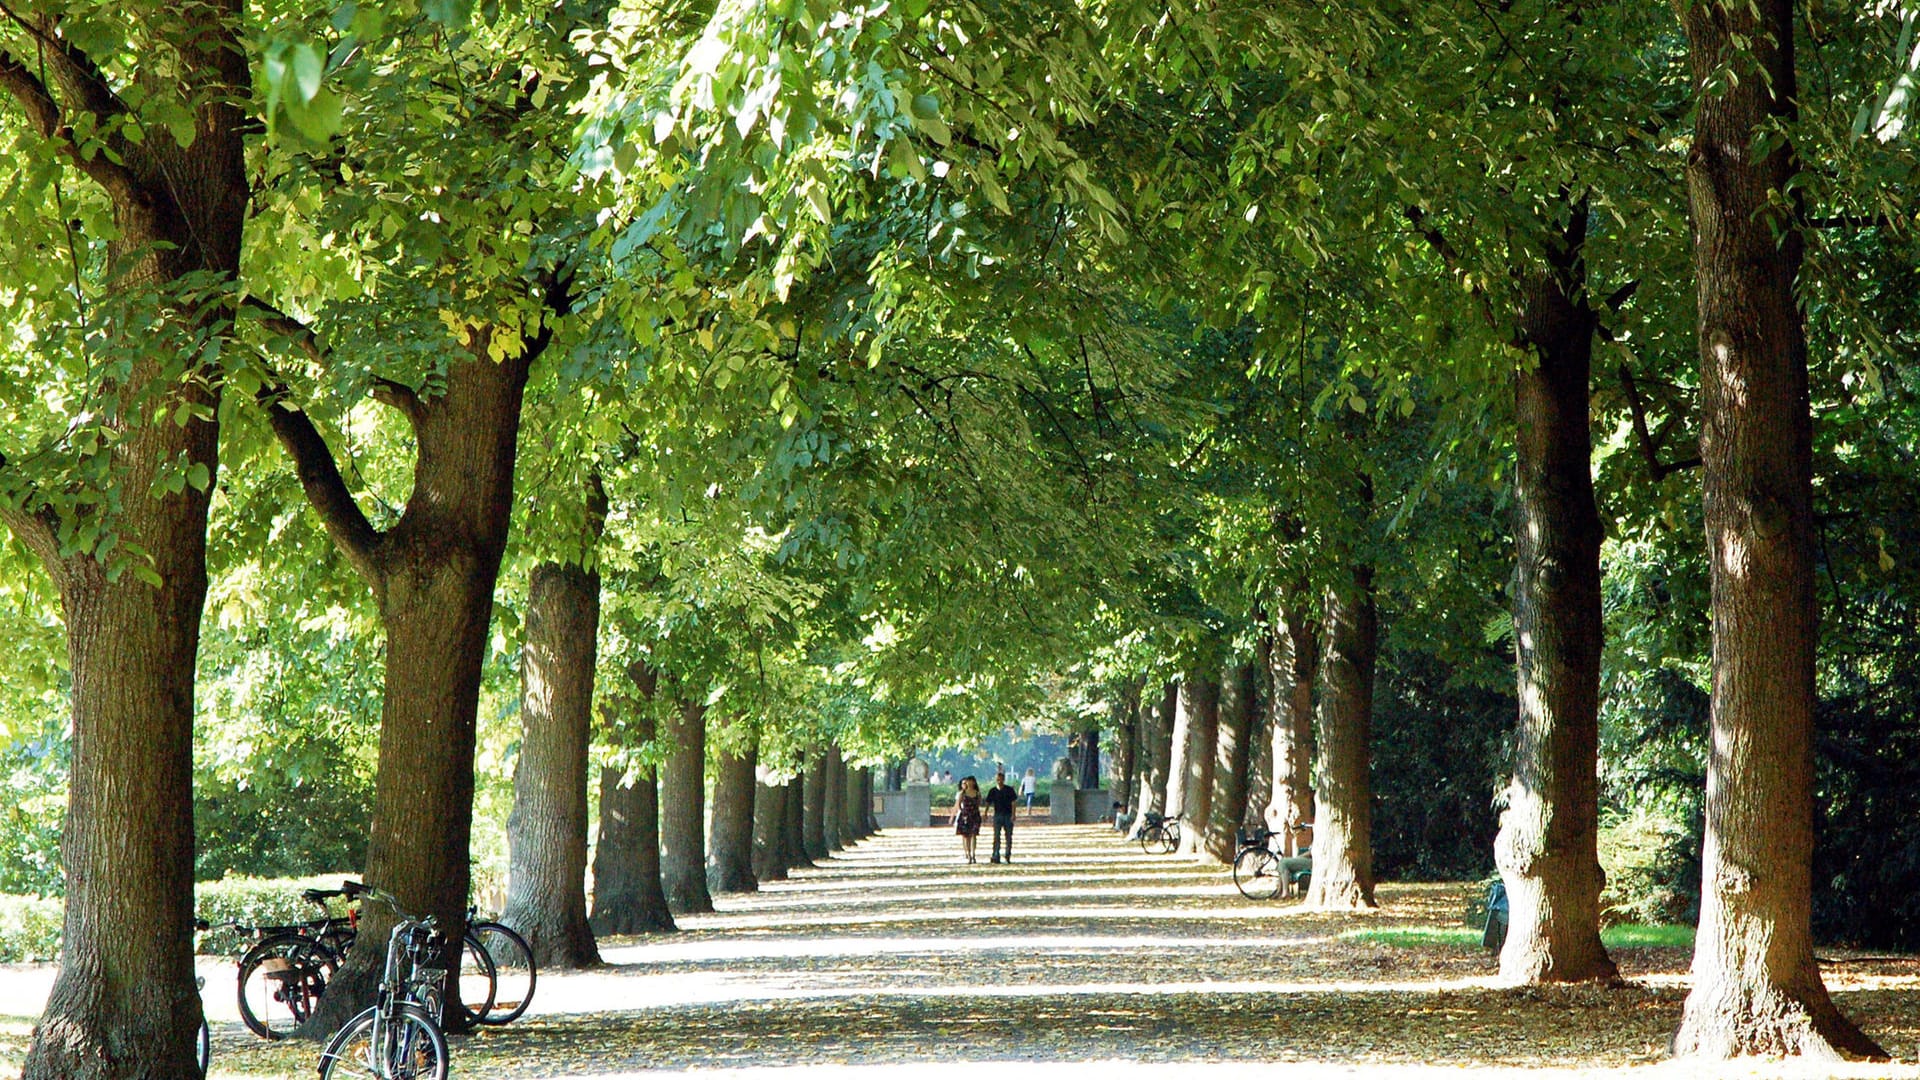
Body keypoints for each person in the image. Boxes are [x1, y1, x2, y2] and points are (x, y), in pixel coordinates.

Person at [984, 770, 1019, 863]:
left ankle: (1007, 854)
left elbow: (1014, 802)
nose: (999, 781)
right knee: (996, 836)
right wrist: (985, 813)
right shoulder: (993, 791)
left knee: (1008, 836)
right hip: (997, 815)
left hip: (1008, 815)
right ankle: (996, 854)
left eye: (1001, 779)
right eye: (998, 780)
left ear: (1003, 780)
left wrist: (1013, 814)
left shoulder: (1009, 790)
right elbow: (988, 802)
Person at [951, 776, 982, 863]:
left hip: (975, 815)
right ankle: (968, 854)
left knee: (973, 835)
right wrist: (963, 812)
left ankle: (973, 854)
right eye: (968, 781)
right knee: (966, 836)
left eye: (972, 781)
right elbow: (958, 804)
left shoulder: (977, 793)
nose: (970, 783)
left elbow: (979, 803)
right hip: (965, 816)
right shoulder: (962, 793)